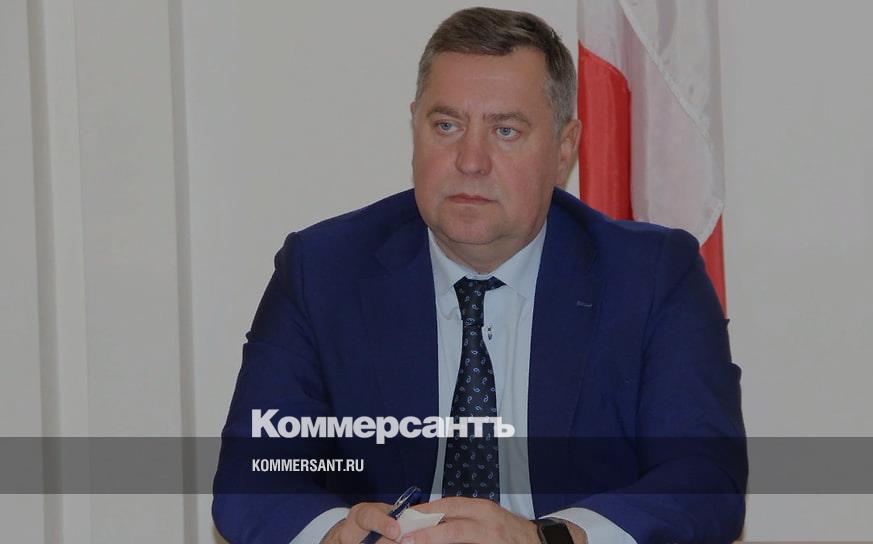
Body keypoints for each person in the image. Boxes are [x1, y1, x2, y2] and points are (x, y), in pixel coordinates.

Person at [213, 7, 746, 544]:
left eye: (506, 131)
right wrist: (336, 535)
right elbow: (253, 476)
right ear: (415, 126)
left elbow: (705, 480)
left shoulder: (652, 277)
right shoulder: (323, 270)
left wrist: (547, 539)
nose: (470, 160)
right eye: (446, 126)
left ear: (564, 147)